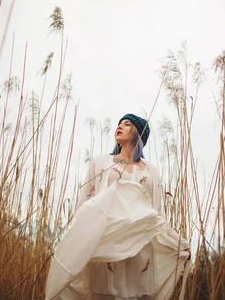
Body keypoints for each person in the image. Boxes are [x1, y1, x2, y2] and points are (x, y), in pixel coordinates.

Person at [45, 114, 191, 300]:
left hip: (139, 247)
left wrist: (179, 242)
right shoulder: (102, 162)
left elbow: (156, 214)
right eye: (119, 123)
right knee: (103, 292)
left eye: (127, 124)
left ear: (138, 133)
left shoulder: (150, 170)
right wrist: (75, 238)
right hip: (107, 244)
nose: (120, 126)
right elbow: (86, 202)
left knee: (136, 294)